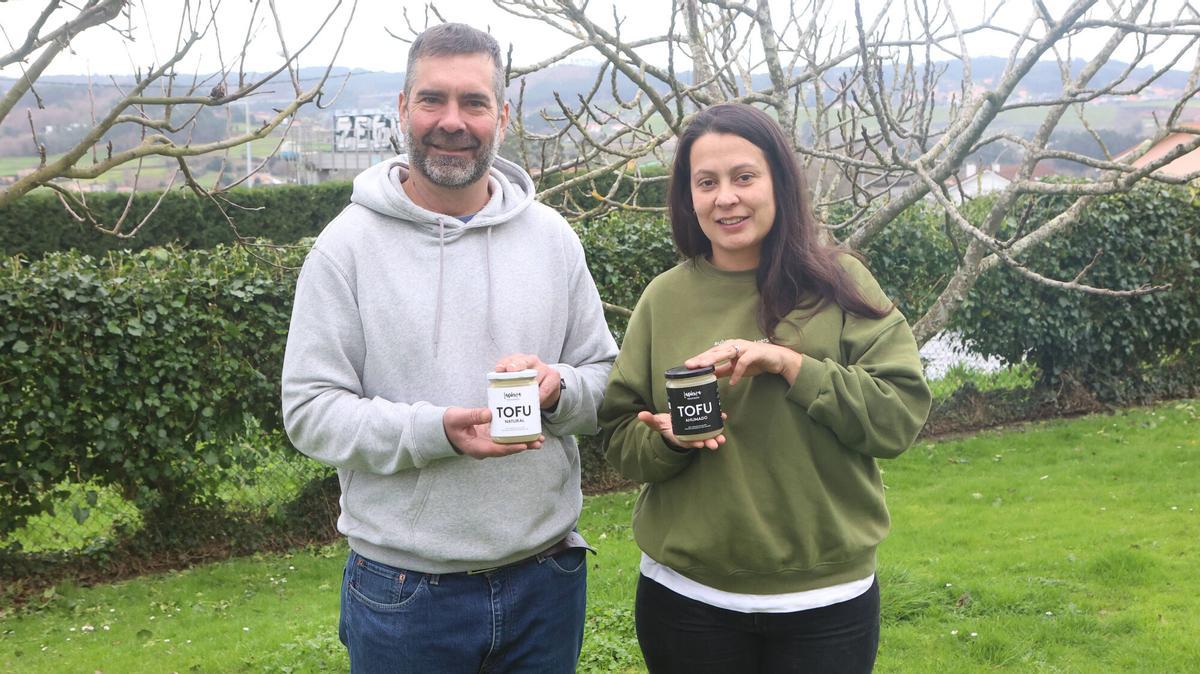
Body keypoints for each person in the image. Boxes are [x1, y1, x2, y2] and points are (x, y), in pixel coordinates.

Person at [280, 22, 617, 673]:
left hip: (545, 582)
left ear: (503, 116)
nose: (452, 121)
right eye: (432, 99)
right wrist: (435, 432)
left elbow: (604, 378)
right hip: (406, 594)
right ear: (403, 107)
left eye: (474, 102)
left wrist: (559, 390)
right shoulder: (345, 249)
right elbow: (310, 412)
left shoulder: (552, 238)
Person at [598, 103, 932, 673]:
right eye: (707, 182)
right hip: (687, 602)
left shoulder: (840, 284)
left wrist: (789, 364)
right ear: (688, 198)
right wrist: (669, 440)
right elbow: (619, 435)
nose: (725, 198)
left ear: (779, 181)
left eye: (744, 176)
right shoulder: (664, 298)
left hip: (826, 604)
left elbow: (898, 416)